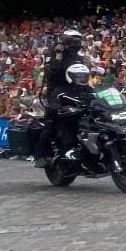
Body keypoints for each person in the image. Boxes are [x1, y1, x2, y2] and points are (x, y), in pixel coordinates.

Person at [33, 30, 86, 167]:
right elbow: (51, 74)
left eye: (77, 41)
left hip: (76, 92)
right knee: (51, 123)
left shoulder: (78, 58)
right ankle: (41, 155)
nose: (76, 44)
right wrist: (58, 55)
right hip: (57, 94)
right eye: (73, 41)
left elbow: (84, 76)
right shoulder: (54, 55)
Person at [50, 63, 97, 162]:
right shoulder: (61, 89)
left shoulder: (89, 89)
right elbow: (53, 103)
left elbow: (100, 97)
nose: (82, 78)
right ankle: (66, 154)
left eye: (84, 76)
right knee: (69, 138)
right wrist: (61, 108)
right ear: (70, 76)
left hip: (88, 118)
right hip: (69, 119)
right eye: (78, 76)